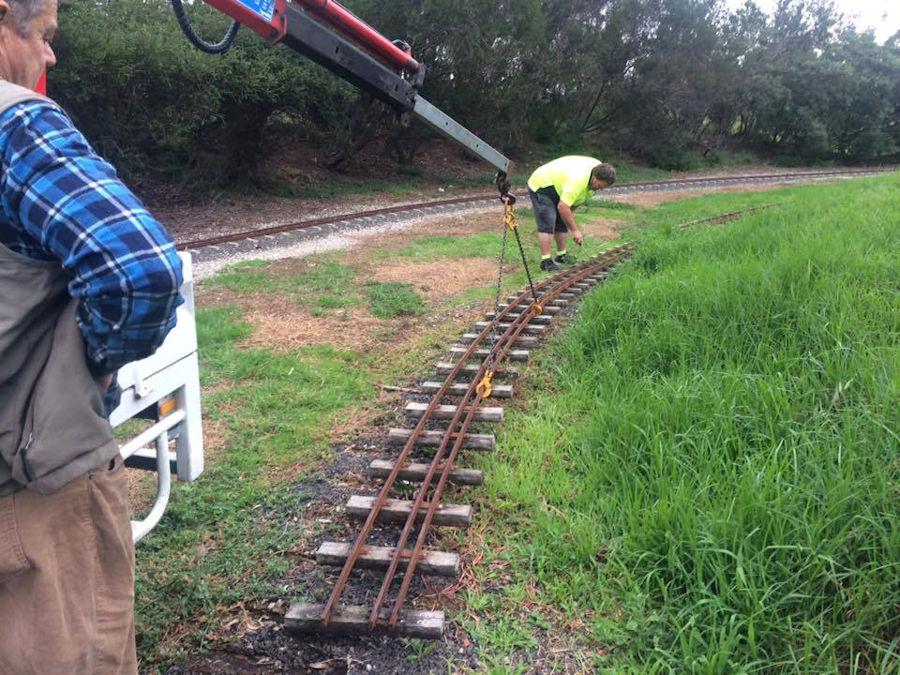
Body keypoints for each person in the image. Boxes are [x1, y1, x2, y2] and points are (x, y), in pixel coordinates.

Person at [0, 0, 183, 671]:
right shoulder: (17, 124)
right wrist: (90, 370)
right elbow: (141, 272)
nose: (49, 57)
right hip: (34, 490)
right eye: (45, 36)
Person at [527, 155, 616, 271]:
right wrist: (575, 230)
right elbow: (563, 206)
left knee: (563, 220)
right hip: (543, 183)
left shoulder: (598, 174)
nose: (600, 189)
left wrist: (568, 218)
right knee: (548, 221)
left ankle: (561, 255)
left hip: (561, 183)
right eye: (599, 186)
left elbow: (575, 201)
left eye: (603, 188)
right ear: (594, 178)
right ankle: (546, 261)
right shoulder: (578, 180)